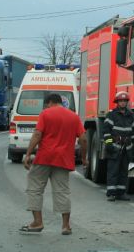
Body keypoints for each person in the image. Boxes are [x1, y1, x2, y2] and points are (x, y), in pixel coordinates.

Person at [21, 93, 87, 235]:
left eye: (46, 105)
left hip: (44, 157)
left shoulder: (45, 114)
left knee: (35, 188)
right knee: (62, 191)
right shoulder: (73, 117)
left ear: (49, 102)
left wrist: (28, 154)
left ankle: (37, 222)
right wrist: (84, 158)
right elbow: (83, 139)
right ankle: (65, 226)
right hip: (63, 159)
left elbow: (37, 135)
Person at [102, 91, 134, 201]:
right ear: (117, 102)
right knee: (113, 171)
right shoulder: (112, 115)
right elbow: (106, 131)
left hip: (127, 149)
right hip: (115, 148)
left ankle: (121, 193)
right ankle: (111, 193)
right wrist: (109, 144)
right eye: (121, 101)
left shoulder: (131, 116)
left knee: (124, 171)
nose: (123, 103)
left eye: (125, 101)